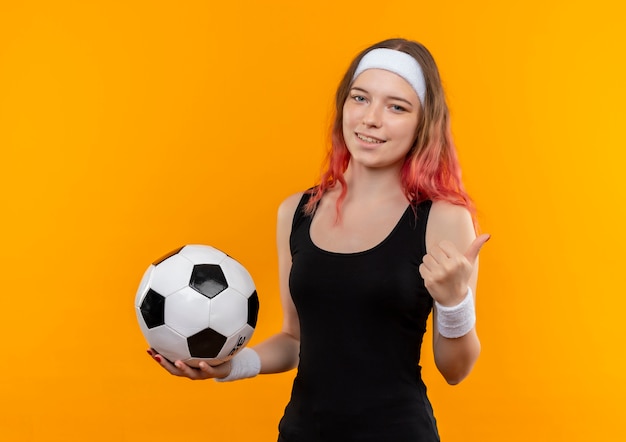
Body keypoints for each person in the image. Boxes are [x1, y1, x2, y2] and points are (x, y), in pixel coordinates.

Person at [147, 38, 489, 441]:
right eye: (360, 98)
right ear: (344, 105)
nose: (371, 118)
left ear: (422, 123)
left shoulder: (444, 219)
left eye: (397, 106)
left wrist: (455, 303)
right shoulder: (296, 211)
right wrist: (228, 367)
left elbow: (456, 371)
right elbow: (294, 340)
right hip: (303, 432)